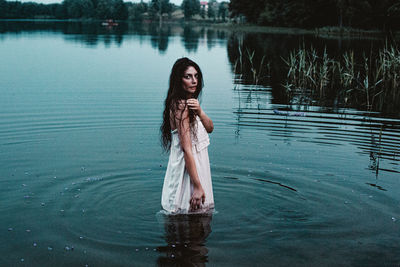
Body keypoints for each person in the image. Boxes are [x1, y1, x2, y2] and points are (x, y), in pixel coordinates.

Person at [160, 57, 214, 213]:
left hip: (197, 167)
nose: (194, 81)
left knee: (194, 218)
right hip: (188, 170)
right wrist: (197, 186)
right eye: (188, 76)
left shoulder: (191, 103)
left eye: (196, 76)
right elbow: (186, 149)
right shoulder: (180, 106)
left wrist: (200, 111)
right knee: (187, 214)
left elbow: (210, 128)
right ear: (179, 80)